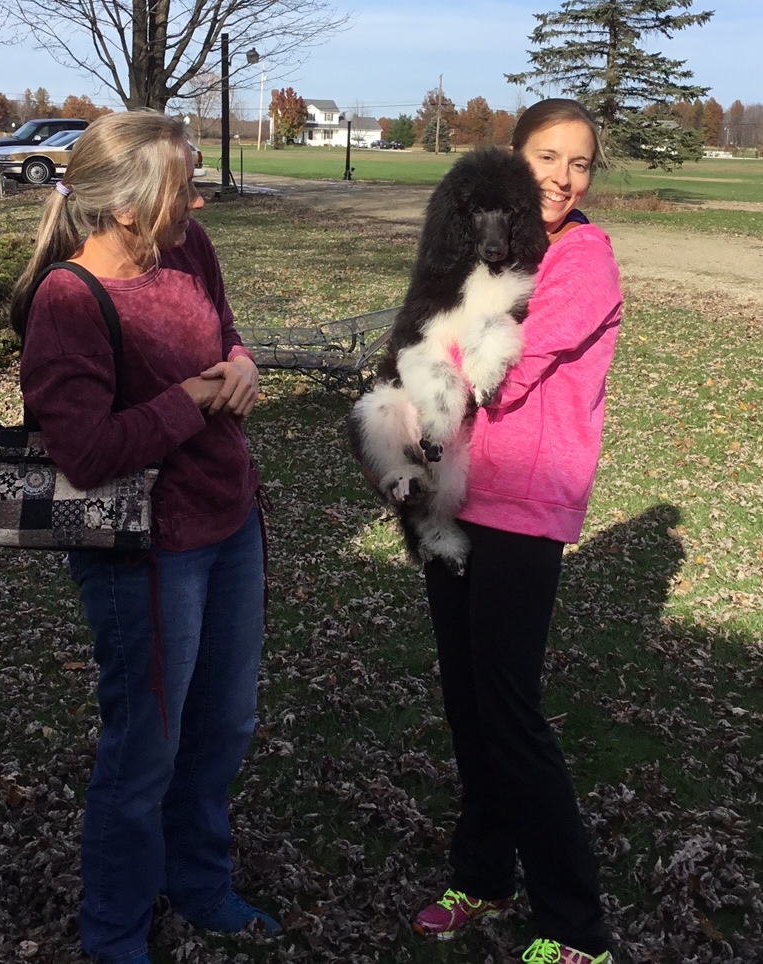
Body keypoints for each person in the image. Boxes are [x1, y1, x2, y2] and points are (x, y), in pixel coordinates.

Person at [11, 110, 278, 964]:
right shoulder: (67, 300)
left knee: (223, 727)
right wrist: (191, 400)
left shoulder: (188, 248)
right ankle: (115, 933)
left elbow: (224, 328)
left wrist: (241, 363)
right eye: (181, 185)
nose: (197, 199)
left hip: (230, 522)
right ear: (125, 207)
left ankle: (200, 884)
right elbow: (84, 454)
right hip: (146, 552)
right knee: (145, 751)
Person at [410, 99, 622, 964]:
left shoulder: (582, 258)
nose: (562, 178)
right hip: (454, 495)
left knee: (509, 712)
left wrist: (432, 351)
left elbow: (506, 366)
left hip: (523, 504)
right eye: (546, 157)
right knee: (468, 704)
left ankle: (575, 927)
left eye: (579, 163)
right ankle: (484, 874)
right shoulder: (492, 245)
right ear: (513, 158)